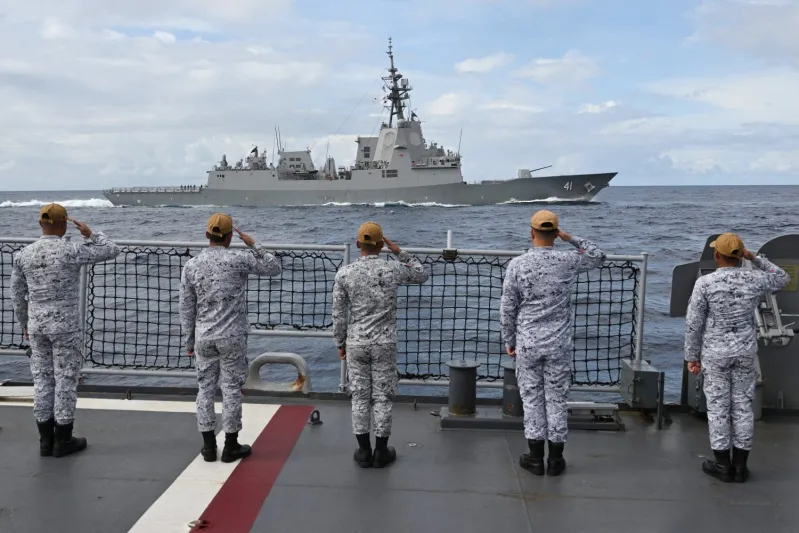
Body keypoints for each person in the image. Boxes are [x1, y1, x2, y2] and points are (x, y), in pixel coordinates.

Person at [500, 209, 606, 476]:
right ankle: (556, 460)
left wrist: (509, 340)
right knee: (557, 398)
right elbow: (597, 256)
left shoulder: (517, 265)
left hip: (528, 342)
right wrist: (571, 238)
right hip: (559, 343)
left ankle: (535, 458)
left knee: (532, 398)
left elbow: (508, 308)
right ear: (556, 234)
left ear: (531, 233)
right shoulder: (567, 260)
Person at [11, 203, 120, 457]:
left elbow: (17, 295)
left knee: (42, 380)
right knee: (65, 380)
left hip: (37, 326)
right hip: (65, 327)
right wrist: (91, 234)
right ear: (65, 224)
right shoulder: (71, 250)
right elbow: (112, 250)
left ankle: (45, 441)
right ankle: (63, 439)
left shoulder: (23, 255)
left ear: (40, 224)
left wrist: (24, 323)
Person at [684, 233, 790, 483]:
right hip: (744, 353)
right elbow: (783, 277)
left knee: (718, 409)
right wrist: (756, 259)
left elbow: (694, 323)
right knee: (743, 408)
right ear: (741, 255)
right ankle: (740, 467)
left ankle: (723, 466)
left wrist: (692, 356)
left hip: (715, 355)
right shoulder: (755, 278)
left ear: (716, 255)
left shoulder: (705, 283)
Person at [179, 213, 282, 463]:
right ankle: (231, 446)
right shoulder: (239, 259)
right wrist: (253, 244)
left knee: (205, 389)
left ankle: (208, 447)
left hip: (204, 337)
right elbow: (274, 268)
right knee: (231, 390)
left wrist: (189, 341)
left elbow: (186, 307)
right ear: (229, 237)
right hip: (232, 337)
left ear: (207, 235)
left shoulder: (191, 265)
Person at [332, 221, 429, 468]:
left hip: (356, 342)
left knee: (359, 397)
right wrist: (399, 252)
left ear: (358, 244)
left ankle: (363, 451)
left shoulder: (344, 273)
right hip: (384, 342)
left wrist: (340, 342)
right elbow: (421, 274)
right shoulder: (392, 269)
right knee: (383, 397)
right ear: (381, 245)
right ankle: (381, 451)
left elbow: (339, 314)